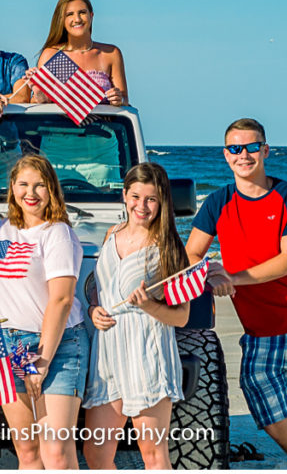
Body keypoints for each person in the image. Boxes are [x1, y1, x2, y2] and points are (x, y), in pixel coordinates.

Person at [186, 118, 287, 469]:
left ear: (265, 150)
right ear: (226, 155)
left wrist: (232, 277)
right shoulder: (218, 202)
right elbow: (192, 253)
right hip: (258, 332)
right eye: (235, 148)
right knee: (268, 412)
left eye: (252, 147)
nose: (244, 154)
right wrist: (210, 270)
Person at [0, 155, 88, 470]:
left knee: (57, 453)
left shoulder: (57, 234)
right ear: (12, 188)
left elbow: (62, 300)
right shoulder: (0, 231)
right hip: (7, 344)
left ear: (52, 190)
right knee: (27, 451)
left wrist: (43, 360)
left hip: (55, 345)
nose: (31, 193)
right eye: (23, 184)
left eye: (40, 185)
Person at [83, 163, 192, 470]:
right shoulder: (111, 233)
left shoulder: (169, 248)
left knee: (154, 456)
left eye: (151, 199)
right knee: (96, 454)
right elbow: (100, 285)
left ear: (162, 202)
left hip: (147, 354)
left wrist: (149, 306)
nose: (141, 206)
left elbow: (182, 317)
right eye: (135, 196)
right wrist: (93, 309)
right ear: (124, 195)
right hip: (107, 354)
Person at [31, 0, 127, 105]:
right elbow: (37, 103)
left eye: (82, 12)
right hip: (59, 123)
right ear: (62, 20)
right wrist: (36, 90)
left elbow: (125, 99)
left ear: (91, 16)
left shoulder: (111, 54)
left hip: (103, 123)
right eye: (70, 14)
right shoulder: (51, 55)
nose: (77, 19)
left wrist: (119, 99)